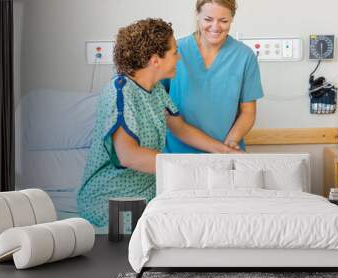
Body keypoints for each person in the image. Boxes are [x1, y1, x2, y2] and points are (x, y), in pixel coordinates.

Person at [77, 18, 237, 228]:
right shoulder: (120, 92)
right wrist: (196, 169)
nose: (179, 57)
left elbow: (181, 129)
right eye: (174, 52)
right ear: (155, 60)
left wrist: (224, 152)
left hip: (147, 192)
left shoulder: (156, 90)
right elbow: (129, 155)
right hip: (111, 198)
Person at [164, 0, 263, 153]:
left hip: (226, 151)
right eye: (208, 19)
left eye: (223, 21)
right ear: (197, 16)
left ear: (232, 19)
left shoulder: (244, 56)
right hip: (178, 153)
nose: (215, 27)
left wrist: (229, 145)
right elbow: (160, 105)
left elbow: (248, 112)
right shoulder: (175, 51)